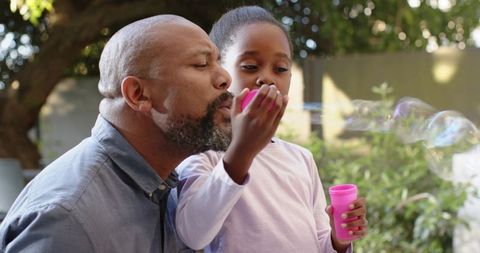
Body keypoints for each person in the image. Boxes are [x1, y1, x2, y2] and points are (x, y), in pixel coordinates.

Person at [0, 14, 233, 253]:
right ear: (137, 94)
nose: (226, 78)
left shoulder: (175, 187)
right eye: (201, 64)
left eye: (218, 62)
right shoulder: (68, 220)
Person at [175, 6, 368, 253]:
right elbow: (193, 234)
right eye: (250, 66)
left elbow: (320, 244)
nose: (267, 78)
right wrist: (241, 152)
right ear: (220, 75)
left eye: (280, 69)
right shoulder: (202, 155)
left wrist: (338, 238)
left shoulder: (300, 158)